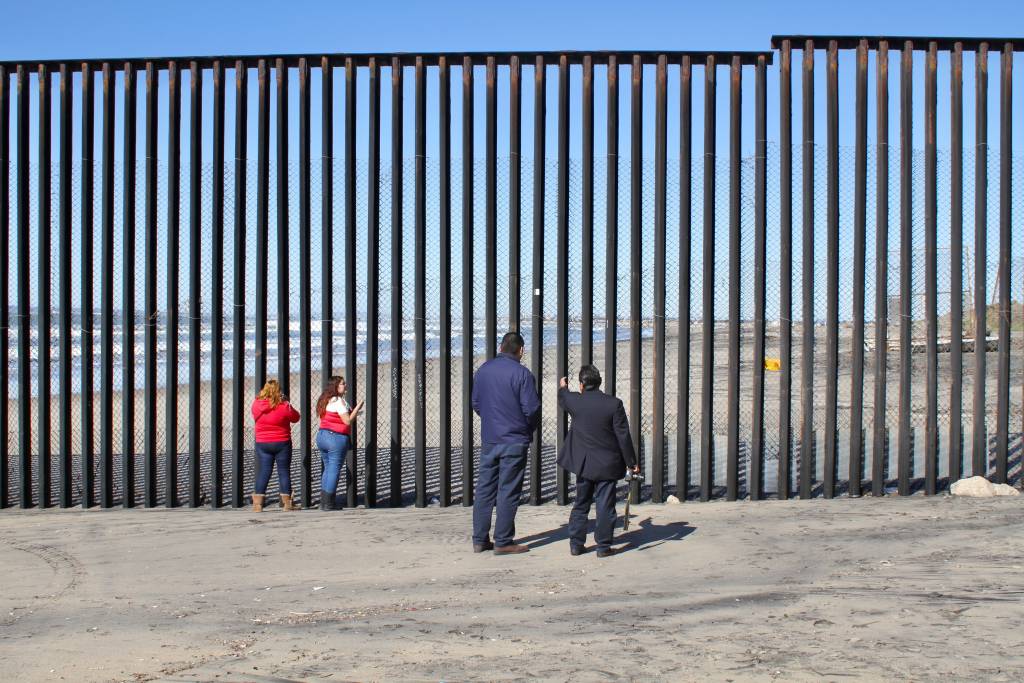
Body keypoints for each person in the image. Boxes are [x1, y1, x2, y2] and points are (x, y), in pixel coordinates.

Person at [471, 332, 541, 555]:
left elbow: (476, 403)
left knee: (484, 489)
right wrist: (525, 428)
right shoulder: (523, 374)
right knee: (508, 490)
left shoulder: (483, 370)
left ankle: (480, 539)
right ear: (520, 350)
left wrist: (492, 420)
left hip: (491, 437)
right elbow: (531, 409)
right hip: (514, 439)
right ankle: (503, 541)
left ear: (501, 347)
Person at [557, 365, 638, 558]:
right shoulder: (613, 404)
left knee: (581, 503)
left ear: (582, 384)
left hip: (584, 464)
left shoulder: (576, 401)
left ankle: (576, 544)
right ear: (599, 382)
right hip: (607, 463)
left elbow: (563, 398)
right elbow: (623, 436)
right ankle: (603, 546)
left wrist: (562, 386)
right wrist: (631, 462)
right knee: (605, 505)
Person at [251, 379, 301, 512]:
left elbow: (255, 415)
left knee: (264, 471)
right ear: (278, 391)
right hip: (281, 442)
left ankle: (257, 505)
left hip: (262, 442)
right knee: (283, 471)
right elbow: (296, 417)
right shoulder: (283, 405)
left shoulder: (256, 404)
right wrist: (287, 402)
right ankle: (287, 504)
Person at [315, 375, 364, 511]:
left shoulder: (326, 400)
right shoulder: (338, 401)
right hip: (335, 438)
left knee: (327, 469)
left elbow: (335, 416)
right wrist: (357, 407)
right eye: (342, 384)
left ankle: (323, 502)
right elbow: (347, 421)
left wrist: (354, 412)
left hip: (322, 436)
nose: (345, 385)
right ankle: (329, 504)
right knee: (334, 470)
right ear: (336, 386)